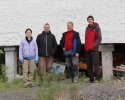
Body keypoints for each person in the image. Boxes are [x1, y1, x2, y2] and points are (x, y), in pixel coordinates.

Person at [84, 15, 102, 83]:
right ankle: (91, 78)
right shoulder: (87, 28)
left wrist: (93, 45)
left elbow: (99, 38)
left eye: (91, 19)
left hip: (94, 49)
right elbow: (86, 39)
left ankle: (98, 78)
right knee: (89, 64)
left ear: (93, 20)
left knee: (96, 64)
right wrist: (86, 46)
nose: (90, 20)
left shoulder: (97, 28)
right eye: (88, 19)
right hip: (87, 49)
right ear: (87, 21)